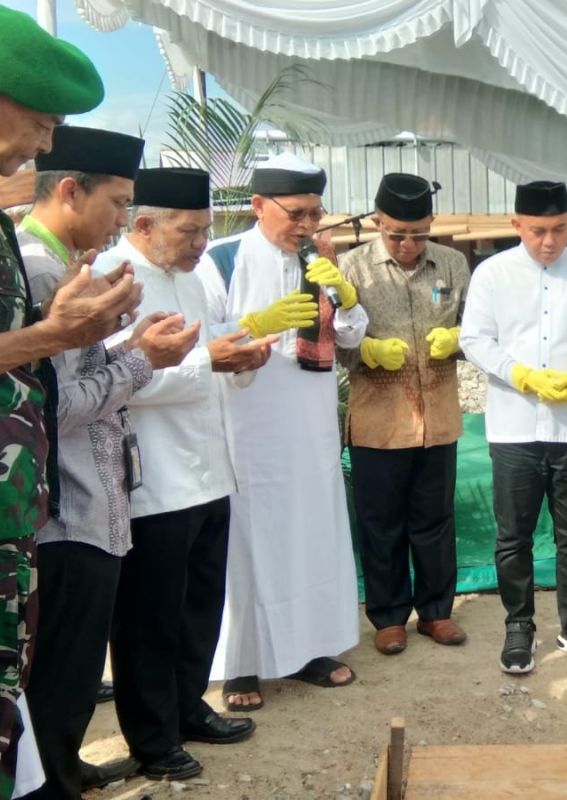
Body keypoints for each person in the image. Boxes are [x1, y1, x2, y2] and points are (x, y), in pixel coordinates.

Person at [20, 126, 199, 798]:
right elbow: (57, 406)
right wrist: (142, 359)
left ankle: (65, 767)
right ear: (71, 190)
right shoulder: (42, 272)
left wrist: (129, 349)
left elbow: (80, 376)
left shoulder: (65, 264)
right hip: (67, 510)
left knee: (71, 669)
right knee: (61, 668)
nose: (124, 218)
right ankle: (52, 784)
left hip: (91, 501)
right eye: (119, 202)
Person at [0, 13, 139, 794]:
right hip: (55, 510)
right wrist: (108, 347)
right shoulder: (36, 259)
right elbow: (56, 387)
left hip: (27, 508)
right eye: (40, 121)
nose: (45, 143)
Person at [97, 168, 274, 781]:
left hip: (209, 468)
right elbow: (120, 381)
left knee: (200, 603)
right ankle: (151, 739)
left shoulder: (196, 276)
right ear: (143, 224)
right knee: (150, 615)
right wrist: (211, 360)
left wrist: (242, 352)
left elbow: (211, 350)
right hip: (150, 478)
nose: (202, 244)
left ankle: (187, 706)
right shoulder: (110, 279)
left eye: (205, 231)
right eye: (189, 231)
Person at [196, 152, 367, 711]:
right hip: (250, 427)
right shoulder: (222, 260)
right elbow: (200, 340)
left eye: (315, 213)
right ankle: (243, 664)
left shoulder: (318, 255)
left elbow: (348, 337)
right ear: (258, 205)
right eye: (296, 213)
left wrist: (345, 295)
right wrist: (255, 326)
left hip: (311, 423)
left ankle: (312, 648)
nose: (307, 225)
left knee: (312, 531)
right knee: (251, 539)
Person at [460, 180, 567, 674]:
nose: (549, 241)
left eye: (559, 229)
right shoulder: (492, 274)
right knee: (514, 535)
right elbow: (475, 338)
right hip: (514, 428)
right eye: (537, 231)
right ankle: (519, 625)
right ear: (516, 226)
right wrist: (521, 374)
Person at [337, 174, 471, 655]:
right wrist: (364, 351)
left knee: (434, 520)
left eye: (418, 234)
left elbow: (476, 329)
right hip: (379, 418)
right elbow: (333, 342)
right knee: (381, 522)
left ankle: (436, 612)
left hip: (438, 415)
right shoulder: (352, 269)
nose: (409, 244)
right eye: (397, 234)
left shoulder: (452, 264)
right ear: (377, 223)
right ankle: (389, 616)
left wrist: (459, 342)